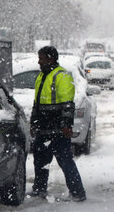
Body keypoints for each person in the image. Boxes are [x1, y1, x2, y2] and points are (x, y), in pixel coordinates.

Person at [29, 45, 86, 201]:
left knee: (65, 161)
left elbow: (68, 104)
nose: (39, 61)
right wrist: (33, 122)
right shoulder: (41, 76)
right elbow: (37, 103)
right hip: (43, 128)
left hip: (58, 129)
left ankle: (78, 193)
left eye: (41, 58)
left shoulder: (62, 76)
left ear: (51, 59)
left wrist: (66, 125)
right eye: (39, 58)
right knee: (40, 160)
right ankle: (39, 189)